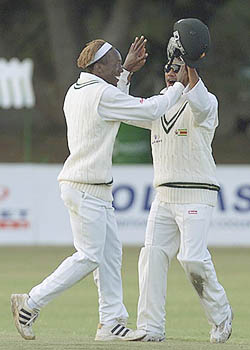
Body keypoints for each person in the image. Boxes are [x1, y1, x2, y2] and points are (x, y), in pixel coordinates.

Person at [11, 36, 188, 342]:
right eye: (116, 63)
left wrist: (126, 73)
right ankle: (30, 302)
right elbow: (146, 110)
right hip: (85, 186)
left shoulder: (78, 89)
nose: (120, 66)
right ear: (99, 66)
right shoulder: (100, 94)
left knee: (108, 256)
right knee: (90, 256)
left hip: (92, 187)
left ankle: (111, 322)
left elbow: (112, 106)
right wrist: (179, 87)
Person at [130, 19, 233, 343]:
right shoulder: (158, 105)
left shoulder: (206, 103)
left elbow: (199, 103)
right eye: (168, 68)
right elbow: (126, 111)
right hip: (163, 196)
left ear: (189, 69)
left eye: (178, 67)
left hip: (196, 194)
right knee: (151, 257)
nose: (171, 72)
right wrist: (126, 75)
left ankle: (221, 316)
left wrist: (189, 63)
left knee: (191, 258)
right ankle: (151, 327)